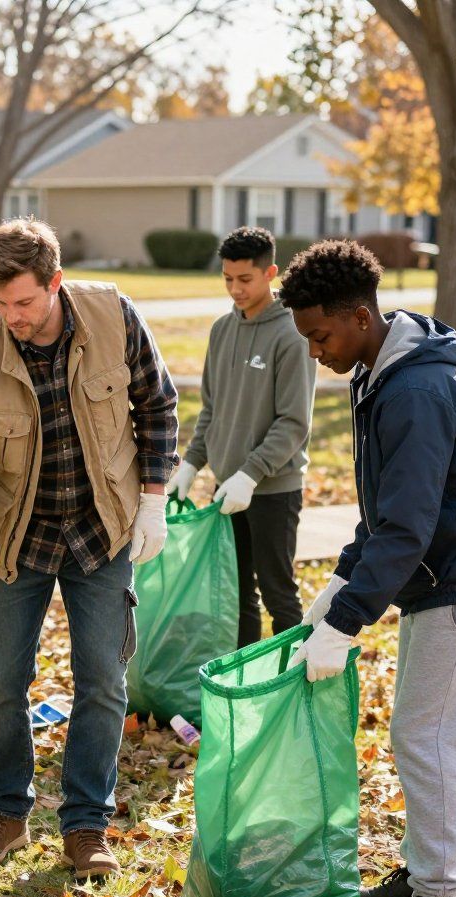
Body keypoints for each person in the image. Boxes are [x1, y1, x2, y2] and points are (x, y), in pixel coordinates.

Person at [280, 239, 456, 897]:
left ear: (359, 317)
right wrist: (343, 577)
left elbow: (411, 527)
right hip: (441, 571)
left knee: (429, 736)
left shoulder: (413, 391)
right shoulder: (382, 371)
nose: (316, 353)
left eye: (321, 336)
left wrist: (347, 621)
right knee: (420, 732)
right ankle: (425, 878)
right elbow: (387, 511)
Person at [0, 219, 179, 878]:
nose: (11, 316)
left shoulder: (112, 316)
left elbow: (158, 407)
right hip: (18, 537)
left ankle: (85, 824)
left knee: (103, 680)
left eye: (23, 301)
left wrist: (154, 495)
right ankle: (5, 813)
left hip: (101, 529)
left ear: (55, 283)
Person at [169, 226, 316, 647]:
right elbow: (213, 409)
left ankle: (293, 691)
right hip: (226, 489)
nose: (235, 288)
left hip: (272, 489)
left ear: (270, 272)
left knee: (278, 593)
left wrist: (250, 474)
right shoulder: (221, 330)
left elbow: (293, 422)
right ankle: (245, 684)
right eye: (228, 279)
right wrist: (193, 463)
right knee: (237, 596)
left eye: (245, 279)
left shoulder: (292, 334)